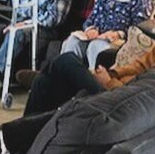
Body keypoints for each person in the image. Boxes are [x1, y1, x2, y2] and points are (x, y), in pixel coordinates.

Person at [24, 44, 155, 116]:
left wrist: (109, 82)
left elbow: (146, 96)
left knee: (67, 60)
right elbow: (140, 66)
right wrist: (111, 73)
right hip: (116, 88)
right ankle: (22, 142)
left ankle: (50, 71)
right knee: (42, 82)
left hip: (124, 102)